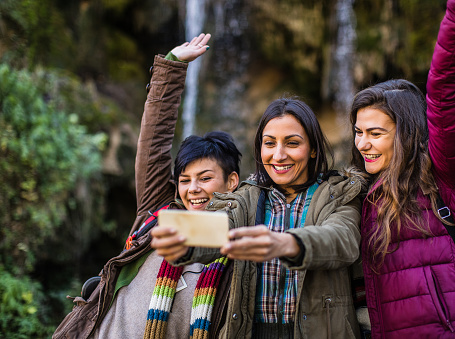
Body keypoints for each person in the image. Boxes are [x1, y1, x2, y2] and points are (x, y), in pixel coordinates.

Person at [53, 33, 242, 339]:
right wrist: (172, 66)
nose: (193, 188)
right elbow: (153, 144)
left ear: (232, 182)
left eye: (205, 178)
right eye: (184, 180)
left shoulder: (237, 242)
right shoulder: (159, 212)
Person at [152, 97, 366, 338]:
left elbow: (342, 239)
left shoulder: (339, 193)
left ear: (313, 148)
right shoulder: (245, 197)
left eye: (292, 143)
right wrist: (183, 238)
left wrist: (288, 243)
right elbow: (218, 228)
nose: (279, 154)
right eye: (269, 143)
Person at [349, 0, 455, 337]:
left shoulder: (444, 177)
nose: (362, 144)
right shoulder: (359, 194)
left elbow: (446, 91)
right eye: (358, 132)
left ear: (408, 134)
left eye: (376, 133)